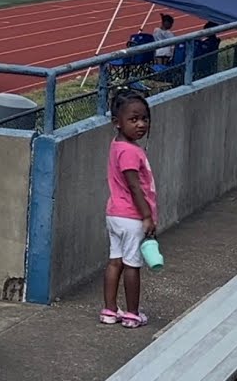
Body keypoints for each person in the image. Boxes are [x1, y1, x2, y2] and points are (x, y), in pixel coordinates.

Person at [100, 89, 157, 329]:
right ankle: (132, 313)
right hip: (132, 217)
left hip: (114, 214)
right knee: (132, 265)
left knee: (115, 262)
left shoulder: (117, 145)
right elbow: (135, 187)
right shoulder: (131, 152)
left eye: (144, 118)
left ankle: (110, 310)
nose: (141, 124)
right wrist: (147, 217)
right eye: (133, 120)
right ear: (117, 122)